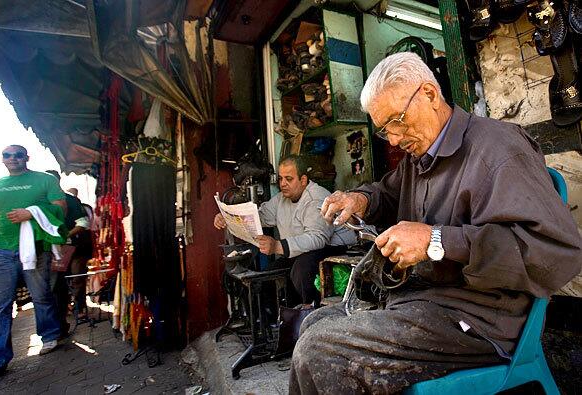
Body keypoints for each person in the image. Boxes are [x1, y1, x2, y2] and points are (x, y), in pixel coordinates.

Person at [289, 52, 582, 394]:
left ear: (429, 94)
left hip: (481, 318)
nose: (394, 140)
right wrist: (360, 199)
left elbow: (555, 253)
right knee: (315, 323)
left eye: (397, 121)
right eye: (385, 131)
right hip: (424, 304)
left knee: (321, 350)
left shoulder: (499, 149)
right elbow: (387, 192)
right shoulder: (420, 156)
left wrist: (436, 240)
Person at [214, 154, 356, 305]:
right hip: (302, 252)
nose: (283, 184)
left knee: (301, 271)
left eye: (289, 179)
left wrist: (277, 246)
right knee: (266, 278)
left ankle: (312, 313)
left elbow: (318, 238)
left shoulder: (316, 198)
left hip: (334, 248)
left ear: (303, 180)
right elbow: (260, 216)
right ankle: (285, 319)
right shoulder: (281, 199)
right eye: (281, 179)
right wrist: (228, 218)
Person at [0, 145, 68, 376]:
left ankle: (49, 335)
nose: (13, 158)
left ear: (27, 158)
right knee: (1, 306)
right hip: (1, 250)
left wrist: (31, 212)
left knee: (41, 295)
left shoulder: (44, 180)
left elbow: (60, 209)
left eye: (18, 155)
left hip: (36, 248)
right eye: (8, 155)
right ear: (2, 159)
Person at [46, 171, 92, 335]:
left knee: (77, 277)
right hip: (52, 250)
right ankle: (61, 320)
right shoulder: (40, 201)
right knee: (57, 285)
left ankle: (80, 309)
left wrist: (64, 236)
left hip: (76, 247)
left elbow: (83, 222)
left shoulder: (70, 200)